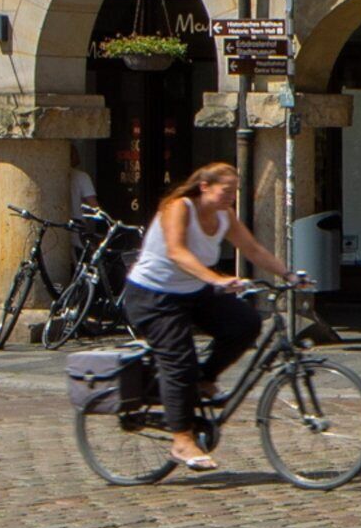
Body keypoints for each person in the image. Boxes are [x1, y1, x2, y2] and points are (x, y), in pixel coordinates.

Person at [120, 162, 295, 474]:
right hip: (153, 296)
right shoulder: (179, 206)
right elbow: (177, 252)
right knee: (179, 362)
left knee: (246, 324)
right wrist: (215, 279)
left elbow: (252, 249)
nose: (231, 197)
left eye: (235, 192)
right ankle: (181, 439)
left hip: (193, 292)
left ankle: (205, 379)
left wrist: (288, 274)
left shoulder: (225, 216)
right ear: (205, 186)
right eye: (226, 191)